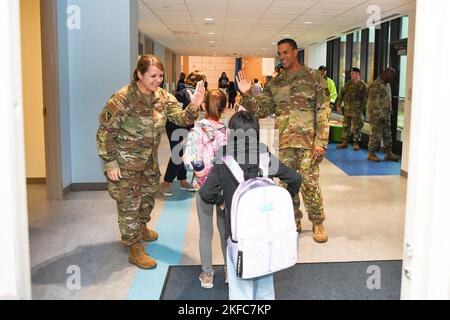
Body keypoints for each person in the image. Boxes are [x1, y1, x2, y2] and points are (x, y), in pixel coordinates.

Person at [96, 55, 205, 269]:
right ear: (139, 74)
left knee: (147, 199)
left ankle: (142, 227)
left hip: (148, 161)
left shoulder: (162, 97)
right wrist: (110, 162)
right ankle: (134, 248)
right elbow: (105, 131)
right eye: (153, 76)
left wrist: (194, 106)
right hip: (125, 163)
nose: (158, 80)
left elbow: (181, 120)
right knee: (129, 205)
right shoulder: (122, 99)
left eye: (161, 76)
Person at [236, 38, 331, 243]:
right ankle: (292, 220)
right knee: (288, 184)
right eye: (280, 53)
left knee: (310, 183)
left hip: (308, 143)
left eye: (286, 52)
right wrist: (246, 94)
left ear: (296, 52)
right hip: (286, 142)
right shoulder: (275, 84)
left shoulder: (314, 77)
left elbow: (323, 111)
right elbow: (261, 110)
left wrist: (321, 142)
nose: (283, 56)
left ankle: (317, 221)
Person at [199, 111, 301, 300]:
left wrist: (222, 202)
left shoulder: (223, 160)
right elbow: (295, 178)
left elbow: (205, 193)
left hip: (238, 237)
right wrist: (285, 201)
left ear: (231, 133)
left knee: (241, 290)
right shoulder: (264, 156)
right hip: (266, 233)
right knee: (265, 285)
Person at [183, 90, 228, 289]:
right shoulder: (230, 131)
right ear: (225, 108)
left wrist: (199, 172)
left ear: (203, 107)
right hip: (224, 190)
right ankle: (230, 270)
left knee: (205, 233)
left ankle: (207, 273)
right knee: (226, 231)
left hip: (204, 190)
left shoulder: (196, 131)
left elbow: (188, 159)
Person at [160, 71, 206, 197]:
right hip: (176, 127)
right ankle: (167, 182)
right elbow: (180, 113)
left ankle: (182, 180)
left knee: (183, 153)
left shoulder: (179, 91)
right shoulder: (186, 93)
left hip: (180, 126)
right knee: (178, 154)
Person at [367, 68, 400, 162]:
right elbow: (373, 103)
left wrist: (389, 110)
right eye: (390, 77)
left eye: (392, 77)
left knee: (387, 135)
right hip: (377, 116)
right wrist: (380, 115)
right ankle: (371, 153)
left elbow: (386, 99)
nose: (391, 79)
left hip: (386, 115)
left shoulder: (387, 84)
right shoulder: (376, 85)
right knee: (376, 135)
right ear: (385, 74)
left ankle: (388, 153)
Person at [335, 67, 368, 151]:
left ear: (358, 74)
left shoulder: (363, 85)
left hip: (357, 110)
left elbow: (367, 97)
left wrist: (364, 107)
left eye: (353, 73)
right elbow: (341, 95)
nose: (351, 75)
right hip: (347, 110)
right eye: (351, 73)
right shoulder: (348, 84)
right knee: (346, 126)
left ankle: (356, 143)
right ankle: (345, 142)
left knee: (357, 127)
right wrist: (338, 105)